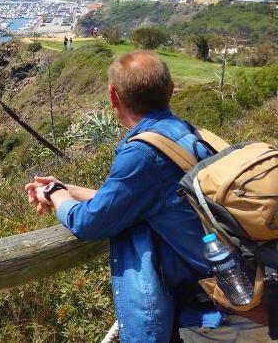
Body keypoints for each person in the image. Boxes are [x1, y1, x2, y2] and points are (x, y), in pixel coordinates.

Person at [25, 50, 270, 342]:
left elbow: (88, 222)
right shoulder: (186, 133)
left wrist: (54, 195)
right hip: (249, 296)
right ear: (170, 90)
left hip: (217, 316)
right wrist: (67, 189)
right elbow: (141, 202)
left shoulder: (143, 154)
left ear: (113, 96)